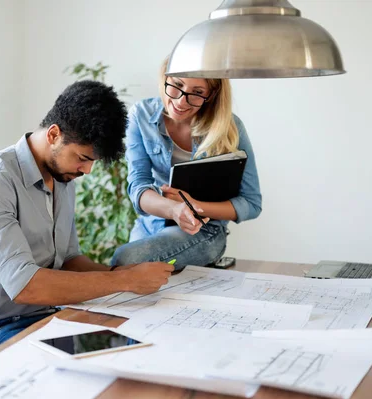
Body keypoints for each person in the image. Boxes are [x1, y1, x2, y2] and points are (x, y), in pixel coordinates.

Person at [0, 80, 174, 353]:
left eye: (93, 161)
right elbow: (26, 287)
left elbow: (69, 260)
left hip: (50, 315)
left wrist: (122, 272)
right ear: (54, 135)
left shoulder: (63, 180)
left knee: (141, 344)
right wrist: (125, 281)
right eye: (83, 157)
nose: (87, 170)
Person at [111, 57, 262, 268]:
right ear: (165, 77)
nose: (181, 101)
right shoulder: (141, 115)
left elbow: (252, 203)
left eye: (197, 92)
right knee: (122, 267)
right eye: (177, 85)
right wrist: (173, 209)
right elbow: (138, 188)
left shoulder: (230, 127)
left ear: (211, 95)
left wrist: (194, 207)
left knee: (127, 260)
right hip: (150, 225)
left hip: (203, 231)